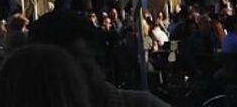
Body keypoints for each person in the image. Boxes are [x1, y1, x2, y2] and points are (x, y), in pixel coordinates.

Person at [29, 10, 170, 107]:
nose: (67, 77)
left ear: (98, 63)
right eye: (53, 71)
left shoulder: (145, 105)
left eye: (76, 65)